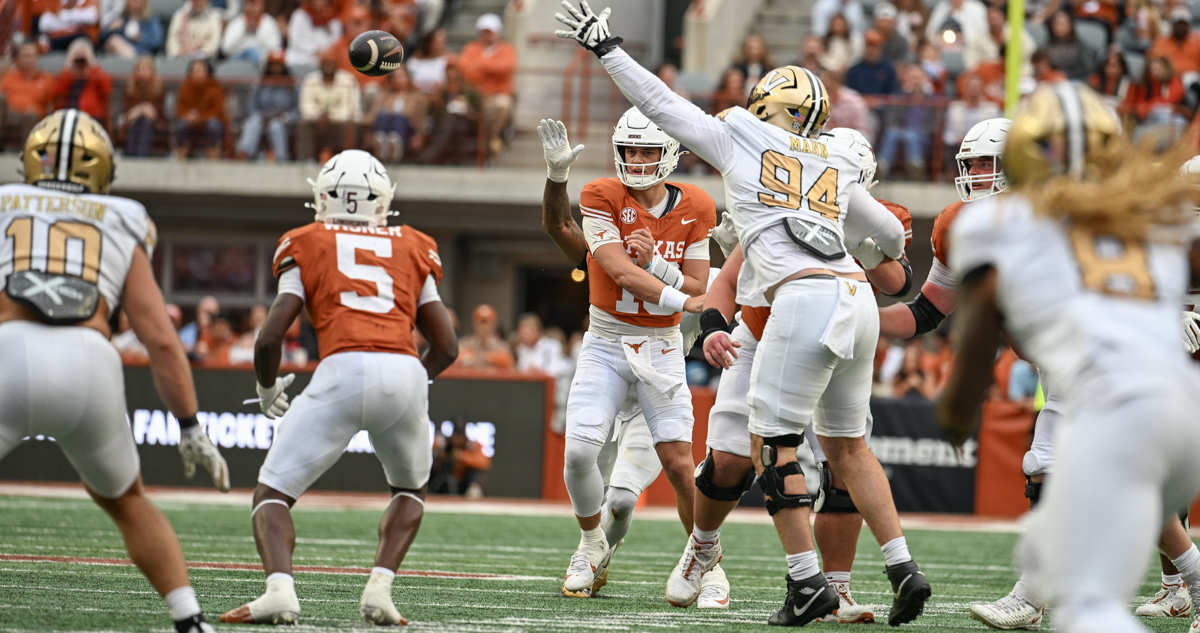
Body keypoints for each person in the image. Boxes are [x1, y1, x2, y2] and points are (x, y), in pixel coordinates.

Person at [553, 4, 926, 625]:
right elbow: (888, 234)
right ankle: (902, 566)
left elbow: (662, 104)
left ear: (765, 103)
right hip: (851, 299)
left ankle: (808, 582)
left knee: (774, 445)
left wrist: (607, 48)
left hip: (800, 301)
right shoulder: (828, 159)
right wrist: (862, 245)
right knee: (848, 447)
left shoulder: (742, 135)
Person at [939, 80, 1200, 633]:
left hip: (1113, 392)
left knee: (1089, 604)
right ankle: (1031, 596)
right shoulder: (1152, 216)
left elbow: (980, 334)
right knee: (1057, 482)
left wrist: (957, 413)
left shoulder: (996, 225)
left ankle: (1039, 598)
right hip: (1176, 403)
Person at [0, 109, 230, 633]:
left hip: (9, 353)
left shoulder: (3, 204)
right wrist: (191, 425)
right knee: (127, 501)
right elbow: (160, 336)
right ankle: (190, 620)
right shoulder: (121, 216)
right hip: (90, 360)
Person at [219, 149, 457, 626]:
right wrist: (409, 382)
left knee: (271, 495)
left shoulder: (304, 240)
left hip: (342, 367)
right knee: (410, 490)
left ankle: (280, 591)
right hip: (405, 367)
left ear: (321, 198)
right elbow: (446, 345)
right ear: (383, 199)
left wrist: (267, 388)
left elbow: (270, 337)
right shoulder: (414, 244)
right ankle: (380, 588)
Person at [698, 127, 914, 624]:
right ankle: (702, 549)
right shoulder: (776, 198)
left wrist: (861, 239)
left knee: (836, 463)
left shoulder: (866, 212)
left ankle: (829, 587)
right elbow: (727, 279)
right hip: (759, 335)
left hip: (830, 331)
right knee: (732, 460)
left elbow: (899, 280)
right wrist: (712, 323)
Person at [534, 114, 718, 602]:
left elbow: (702, 285)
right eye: (629, 151)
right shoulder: (602, 196)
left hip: (662, 347)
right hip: (608, 341)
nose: (637, 160)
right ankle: (590, 544)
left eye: (647, 151)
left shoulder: (697, 204)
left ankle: (708, 563)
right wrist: (556, 177)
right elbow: (615, 268)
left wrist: (659, 263)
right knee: (578, 452)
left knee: (676, 468)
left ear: (671, 154)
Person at [458, 13, 516, 155]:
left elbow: (506, 67)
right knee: (457, 107)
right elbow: (465, 69)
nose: (487, 35)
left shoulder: (507, 49)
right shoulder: (471, 48)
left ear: (498, 32)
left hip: (496, 95)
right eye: (484, 32)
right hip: (475, 96)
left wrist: (480, 65)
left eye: (490, 32)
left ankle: (490, 137)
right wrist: (491, 67)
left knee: (503, 105)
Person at [295, 49, 360, 163]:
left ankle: (345, 161)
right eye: (326, 63)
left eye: (331, 63)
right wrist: (318, 116)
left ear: (337, 64)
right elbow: (305, 107)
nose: (328, 67)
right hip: (316, 121)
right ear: (320, 65)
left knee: (349, 125)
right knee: (303, 124)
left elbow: (351, 108)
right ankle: (307, 160)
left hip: (339, 121)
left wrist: (331, 116)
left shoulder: (348, 80)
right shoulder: (310, 80)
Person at [235, 50, 297, 161]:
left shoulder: (291, 85)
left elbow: (297, 110)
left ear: (284, 67)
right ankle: (245, 153)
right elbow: (251, 107)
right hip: (262, 117)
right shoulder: (260, 83)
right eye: (273, 65)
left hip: (282, 119)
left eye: (279, 65)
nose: (276, 68)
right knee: (253, 122)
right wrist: (261, 116)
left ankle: (281, 158)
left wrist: (285, 117)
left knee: (275, 126)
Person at [942, 73, 1001, 175]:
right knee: (953, 148)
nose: (974, 90)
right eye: (971, 87)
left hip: (983, 146)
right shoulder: (954, 108)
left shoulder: (992, 109)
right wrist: (960, 140)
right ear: (965, 88)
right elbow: (947, 134)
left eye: (976, 87)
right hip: (958, 144)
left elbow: (996, 134)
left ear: (982, 88)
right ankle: (952, 173)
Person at [366, 65, 427, 163]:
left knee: (398, 117)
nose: (399, 80)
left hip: (407, 127)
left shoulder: (417, 96)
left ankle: (396, 143)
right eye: (396, 77)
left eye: (401, 77)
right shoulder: (385, 95)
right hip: (387, 125)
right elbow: (374, 114)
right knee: (383, 115)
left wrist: (420, 135)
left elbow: (421, 118)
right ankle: (381, 142)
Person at [0, 42, 54, 148]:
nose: (27, 59)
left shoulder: (47, 79)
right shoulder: (9, 77)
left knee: (30, 116)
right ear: (19, 58)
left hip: (32, 117)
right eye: (24, 55)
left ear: (37, 57)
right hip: (9, 116)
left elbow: (53, 102)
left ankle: (27, 152)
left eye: (30, 55)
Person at [172, 58, 225, 160]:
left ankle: (213, 160)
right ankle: (180, 159)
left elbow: (218, 112)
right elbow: (180, 110)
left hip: (207, 122)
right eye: (194, 71)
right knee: (180, 124)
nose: (197, 74)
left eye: (199, 71)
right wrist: (188, 116)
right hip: (190, 123)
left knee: (214, 125)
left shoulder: (216, 88)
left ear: (207, 73)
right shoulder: (184, 87)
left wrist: (200, 118)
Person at [53, 39, 112, 127]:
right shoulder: (68, 75)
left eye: (83, 59)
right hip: (68, 117)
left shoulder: (96, 74)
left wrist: (92, 64)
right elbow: (56, 92)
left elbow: (107, 90)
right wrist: (69, 66)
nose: (81, 63)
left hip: (91, 117)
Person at [121, 55, 165, 157]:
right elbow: (127, 112)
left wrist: (143, 111)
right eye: (140, 68)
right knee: (136, 122)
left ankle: (140, 159)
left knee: (145, 122)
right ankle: (131, 159)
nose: (142, 71)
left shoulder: (160, 89)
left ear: (152, 71)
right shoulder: (128, 88)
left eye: (145, 68)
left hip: (155, 125)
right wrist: (141, 109)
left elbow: (158, 112)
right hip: (131, 122)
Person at [284, 0, 342, 72]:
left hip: (325, 62)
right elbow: (295, 41)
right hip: (301, 60)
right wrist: (316, 50)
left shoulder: (333, 19)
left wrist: (326, 53)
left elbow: (336, 42)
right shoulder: (299, 15)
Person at [220, 0, 281, 66]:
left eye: (255, 4)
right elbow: (225, 49)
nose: (252, 8)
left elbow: (276, 49)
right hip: (237, 62)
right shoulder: (236, 22)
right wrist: (244, 32)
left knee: (254, 53)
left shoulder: (269, 22)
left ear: (262, 5)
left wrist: (257, 33)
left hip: (262, 64)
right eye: (249, 4)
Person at [456, 304, 515, 370]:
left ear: (494, 324)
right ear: (474, 323)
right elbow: (457, 362)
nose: (483, 327)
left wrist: (488, 358)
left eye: (487, 323)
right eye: (480, 323)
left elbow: (509, 365)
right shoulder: (465, 343)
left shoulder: (501, 346)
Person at [844, 29, 900, 95]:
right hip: (859, 104)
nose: (871, 51)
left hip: (883, 104)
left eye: (875, 48)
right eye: (869, 47)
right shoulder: (854, 70)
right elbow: (849, 92)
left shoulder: (888, 69)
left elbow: (893, 92)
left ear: (881, 49)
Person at [1045, 11, 1096, 81]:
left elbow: (1087, 69)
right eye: (1057, 24)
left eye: (1063, 24)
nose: (1060, 27)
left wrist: (1066, 75)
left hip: (1075, 79)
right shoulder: (1047, 44)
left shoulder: (1080, 45)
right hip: (1053, 79)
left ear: (1070, 25)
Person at [406, 28, 454, 95]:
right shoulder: (415, 59)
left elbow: (455, 85)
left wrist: (442, 89)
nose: (440, 45)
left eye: (442, 42)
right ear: (428, 43)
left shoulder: (450, 60)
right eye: (436, 42)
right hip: (415, 95)